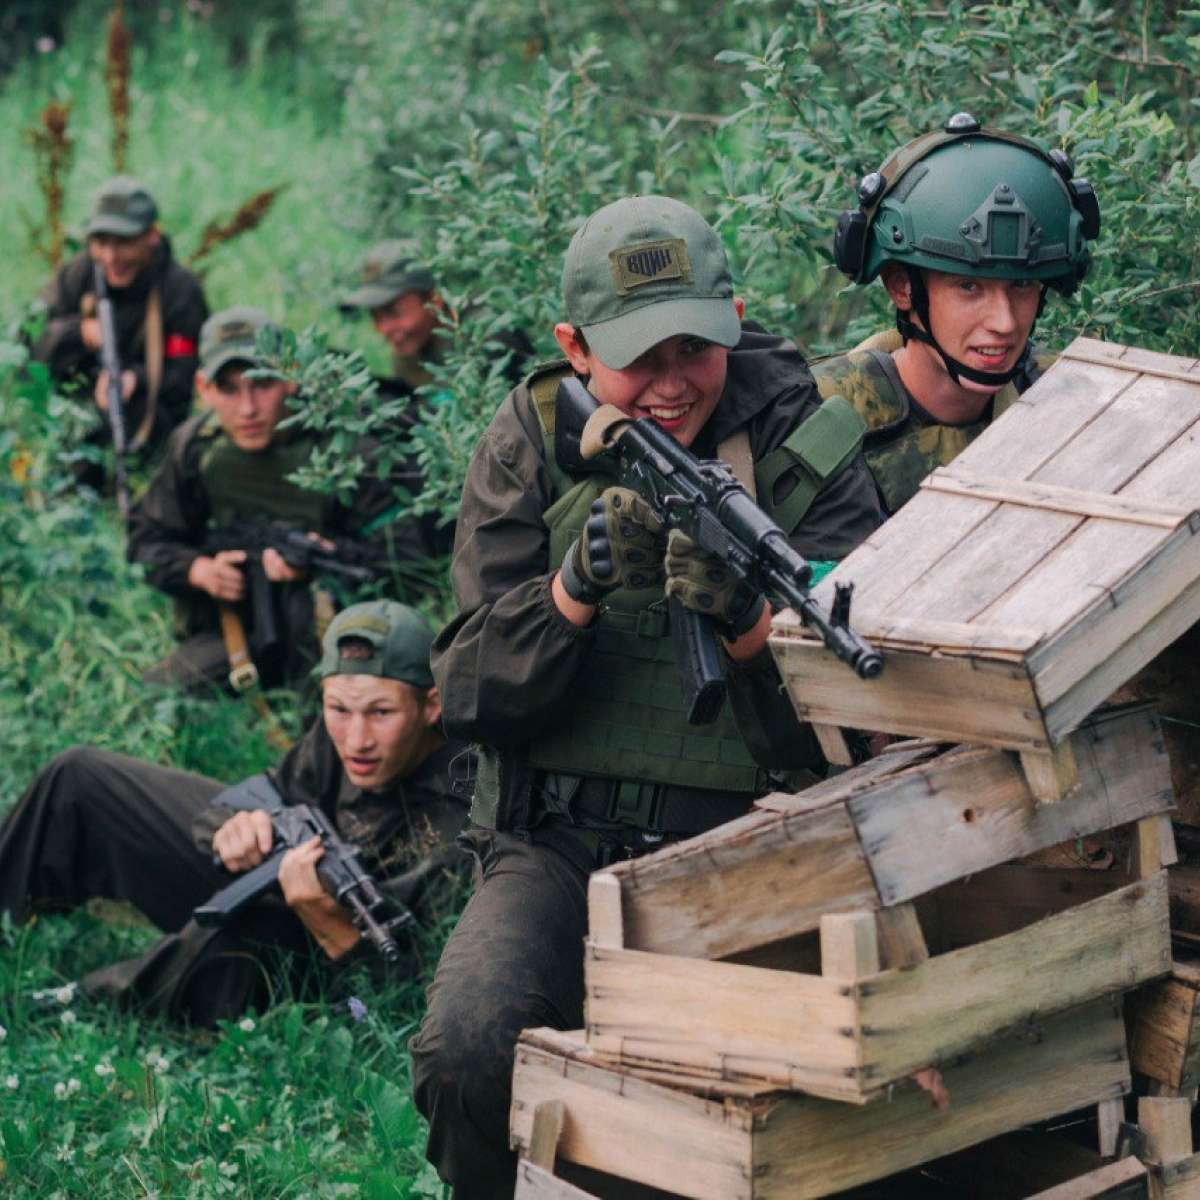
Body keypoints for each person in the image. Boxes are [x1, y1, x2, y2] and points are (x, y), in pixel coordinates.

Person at [409, 195, 883, 1197]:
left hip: (747, 844)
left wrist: (750, 633)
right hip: (556, 840)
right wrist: (572, 592)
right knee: (469, 1049)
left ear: (736, 317)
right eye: (641, 358)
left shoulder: (813, 442)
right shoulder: (534, 440)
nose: (672, 386)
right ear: (574, 348)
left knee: (727, 1119)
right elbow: (468, 696)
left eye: (696, 351)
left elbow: (863, 733)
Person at [0, 601, 468, 1025]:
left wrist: (332, 929)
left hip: (316, 962)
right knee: (80, 776)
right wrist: (234, 828)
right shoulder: (343, 733)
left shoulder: (459, 816)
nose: (357, 739)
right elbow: (274, 791)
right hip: (275, 881)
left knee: (244, 927)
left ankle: (71, 1006)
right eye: (338, 708)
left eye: (382, 713)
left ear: (431, 705)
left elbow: (408, 1000)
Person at [128, 305, 448, 693]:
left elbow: (412, 565)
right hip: (239, 626)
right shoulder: (197, 449)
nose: (247, 408)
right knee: (161, 692)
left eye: (262, 384)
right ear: (203, 389)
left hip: (345, 631)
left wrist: (324, 564)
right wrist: (198, 570)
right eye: (228, 389)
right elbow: (146, 539)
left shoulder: (348, 444)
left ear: (292, 378)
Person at [815, 112, 1101, 515]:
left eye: (1021, 286)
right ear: (901, 286)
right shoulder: (818, 417)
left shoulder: (1080, 404)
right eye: (969, 287)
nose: (1004, 322)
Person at [31, 175, 209, 479]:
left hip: (149, 420)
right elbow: (29, 339)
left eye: (124, 243)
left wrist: (135, 379)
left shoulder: (180, 291)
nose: (111, 258)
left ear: (152, 235)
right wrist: (80, 334)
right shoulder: (80, 274)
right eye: (101, 243)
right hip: (76, 412)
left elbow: (185, 374)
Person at [339, 239, 532, 397]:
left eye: (393, 312)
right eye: (375, 316)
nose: (383, 329)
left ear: (434, 300)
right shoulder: (410, 349)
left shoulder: (485, 334)